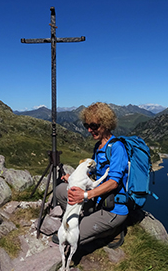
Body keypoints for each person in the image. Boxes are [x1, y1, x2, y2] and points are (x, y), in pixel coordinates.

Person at [54, 102, 129, 247]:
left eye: (94, 126)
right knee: (60, 191)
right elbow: (92, 172)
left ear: (106, 124)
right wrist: (73, 178)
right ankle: (83, 218)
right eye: (86, 126)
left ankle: (112, 231)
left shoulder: (117, 148)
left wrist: (85, 196)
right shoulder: (98, 146)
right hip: (97, 200)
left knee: (68, 239)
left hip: (113, 209)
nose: (89, 130)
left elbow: (113, 182)